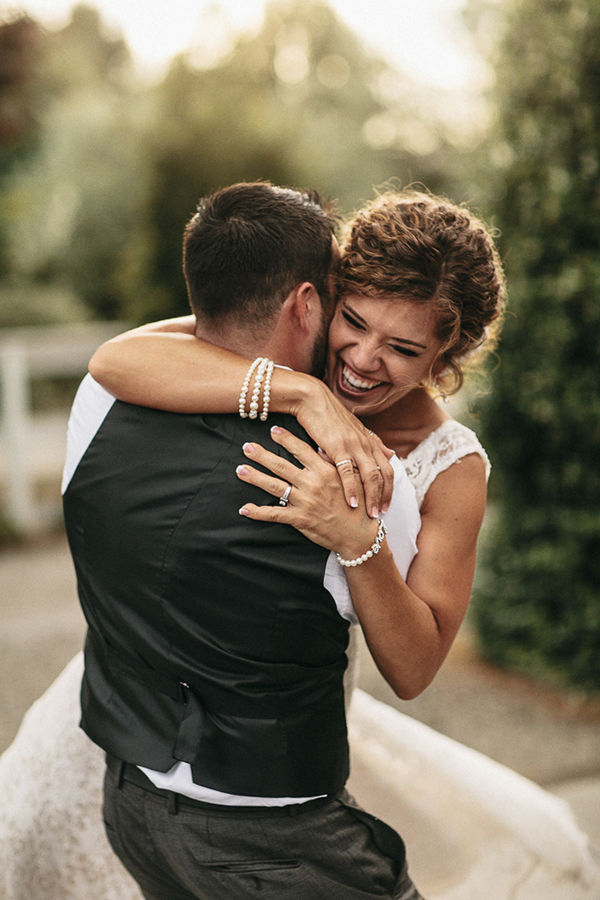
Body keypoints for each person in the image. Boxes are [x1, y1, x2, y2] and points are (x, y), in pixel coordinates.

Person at [62, 181, 425, 900]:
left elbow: (125, 352)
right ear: (306, 303)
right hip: (282, 848)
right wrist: (304, 393)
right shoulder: (359, 477)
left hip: (129, 802)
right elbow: (412, 666)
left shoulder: (98, 403)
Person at [90, 188, 506, 701]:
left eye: (402, 349)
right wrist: (305, 393)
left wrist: (359, 543)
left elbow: (414, 670)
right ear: (327, 298)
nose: (362, 359)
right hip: (137, 680)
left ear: (442, 363)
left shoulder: (450, 466)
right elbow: (114, 361)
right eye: (353, 321)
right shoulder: (296, 353)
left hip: (285, 714)